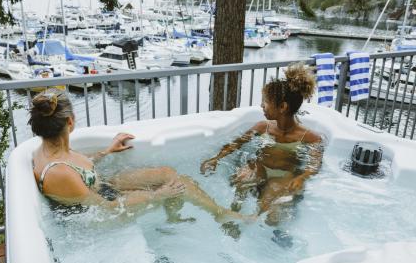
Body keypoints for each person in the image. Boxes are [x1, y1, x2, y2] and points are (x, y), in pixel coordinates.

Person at [30, 88, 244, 224]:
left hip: (102, 187)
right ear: (70, 122)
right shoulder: (58, 173)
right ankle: (218, 213)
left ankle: (176, 217)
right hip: (103, 213)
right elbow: (106, 209)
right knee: (178, 186)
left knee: (168, 174)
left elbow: (77, 166)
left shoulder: (50, 149)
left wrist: (106, 151)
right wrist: (156, 195)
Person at [200, 64, 323, 224]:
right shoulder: (262, 126)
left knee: (271, 205)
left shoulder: (311, 137)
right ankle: (233, 214)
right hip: (261, 168)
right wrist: (215, 158)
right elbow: (235, 144)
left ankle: (265, 223)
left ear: (282, 107)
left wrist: (302, 177)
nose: (261, 106)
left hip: (284, 175)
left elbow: (315, 165)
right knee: (243, 178)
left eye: (265, 102)